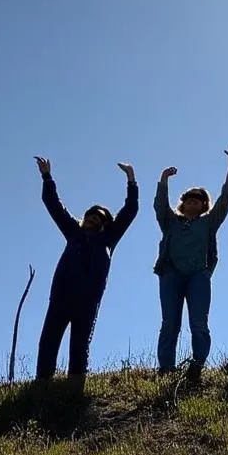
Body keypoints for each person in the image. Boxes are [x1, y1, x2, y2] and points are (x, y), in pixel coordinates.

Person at [33, 157, 139, 384]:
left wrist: (131, 180)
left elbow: (130, 210)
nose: (92, 219)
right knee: (48, 342)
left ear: (104, 224)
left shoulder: (108, 239)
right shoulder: (73, 231)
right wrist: (47, 176)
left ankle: (75, 388)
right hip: (61, 297)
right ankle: (41, 387)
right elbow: (53, 204)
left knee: (80, 344)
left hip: (88, 301)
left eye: (98, 218)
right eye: (90, 215)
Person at [153, 147, 228, 382]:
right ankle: (166, 369)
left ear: (203, 205)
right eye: (188, 200)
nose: (192, 203)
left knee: (199, 323)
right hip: (171, 275)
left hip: (198, 276)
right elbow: (160, 206)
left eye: (197, 201)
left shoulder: (209, 222)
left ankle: (197, 365)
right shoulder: (171, 222)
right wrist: (163, 180)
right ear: (183, 204)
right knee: (170, 323)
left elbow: (225, 199)